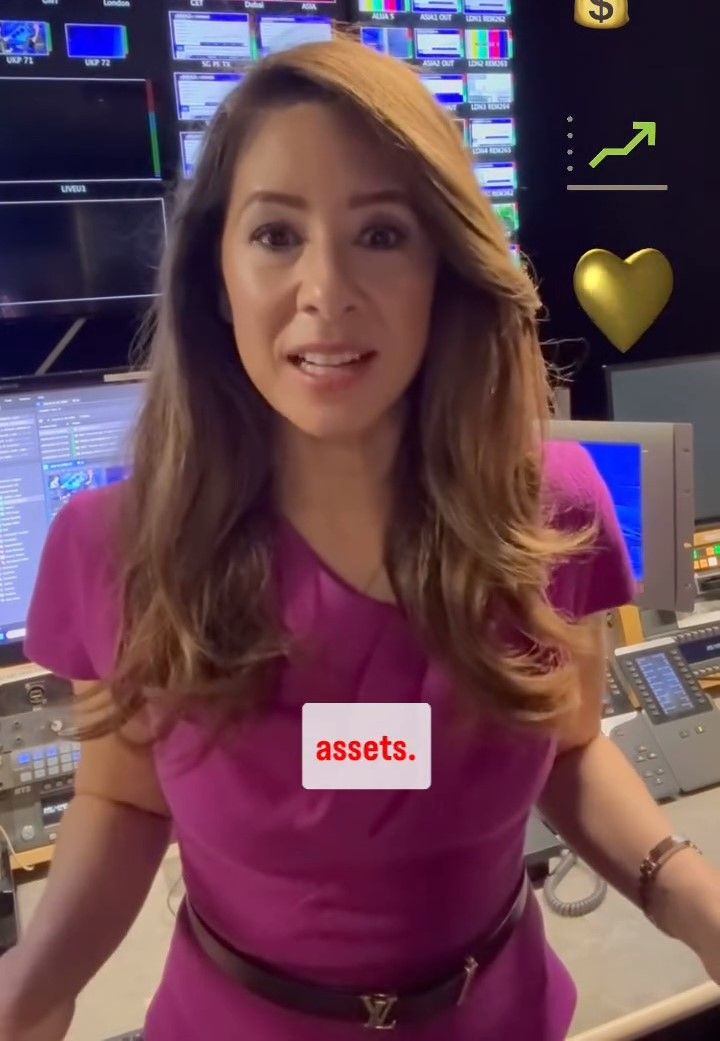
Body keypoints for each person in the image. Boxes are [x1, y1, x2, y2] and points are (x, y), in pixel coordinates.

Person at [1, 36, 719, 1041]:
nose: (325, 289)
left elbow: (567, 747)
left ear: (443, 271)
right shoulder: (112, 549)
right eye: (276, 234)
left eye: (381, 234)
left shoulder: (553, 511)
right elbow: (124, 802)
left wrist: (690, 898)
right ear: (217, 275)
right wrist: (32, 986)